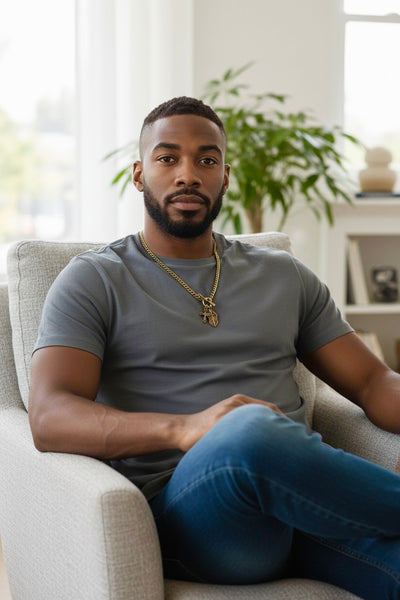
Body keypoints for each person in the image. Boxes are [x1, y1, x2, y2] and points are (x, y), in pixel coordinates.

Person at [29, 96, 400, 599]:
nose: (188, 174)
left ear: (225, 177)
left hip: (303, 511)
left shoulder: (282, 274)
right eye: (167, 158)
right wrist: (184, 429)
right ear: (140, 175)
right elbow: (49, 415)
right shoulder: (94, 279)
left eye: (207, 160)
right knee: (246, 429)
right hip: (195, 518)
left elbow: (372, 381)